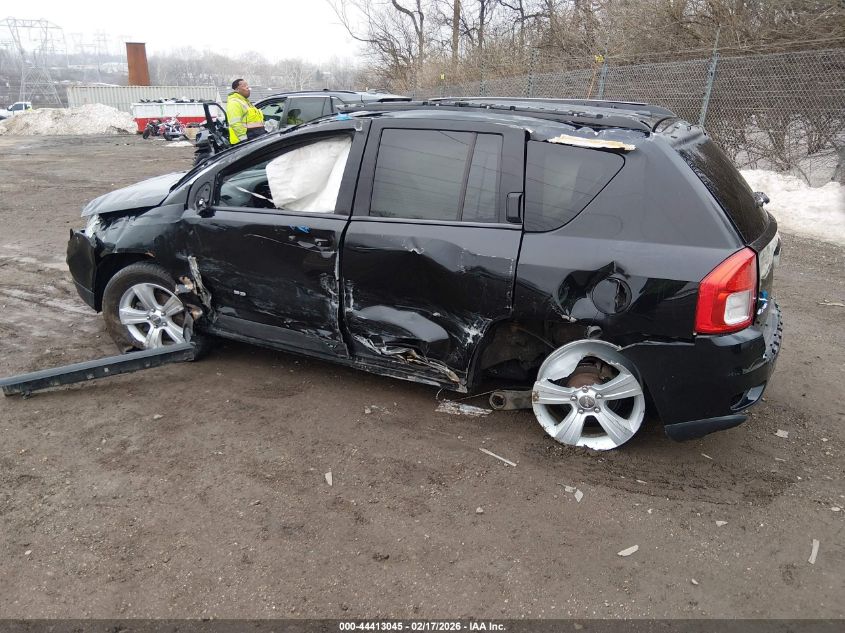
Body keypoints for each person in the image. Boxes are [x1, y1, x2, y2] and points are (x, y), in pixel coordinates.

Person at [226, 78, 266, 144]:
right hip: (245, 141)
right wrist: (244, 140)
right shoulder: (234, 103)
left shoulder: (246, 102)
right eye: (244, 85)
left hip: (254, 138)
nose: (247, 87)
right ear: (237, 89)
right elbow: (235, 123)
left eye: (247, 85)